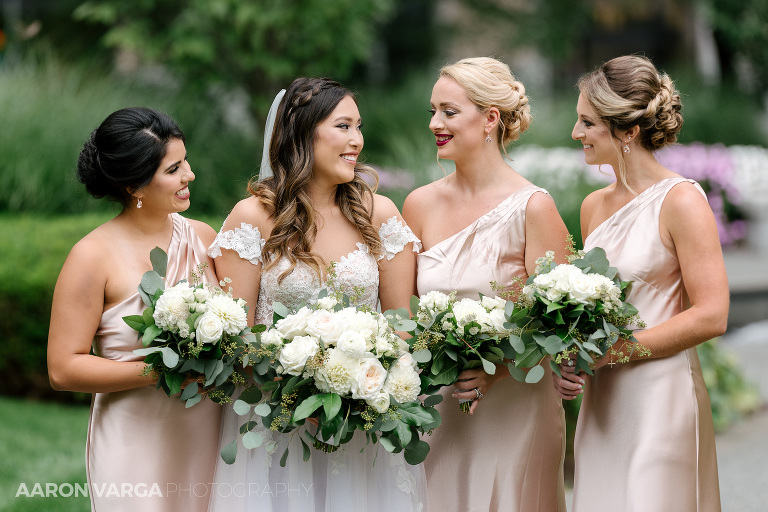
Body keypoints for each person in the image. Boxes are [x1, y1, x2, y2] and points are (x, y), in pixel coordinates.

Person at [207, 77, 425, 511]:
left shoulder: (379, 213)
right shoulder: (253, 217)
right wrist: (299, 383)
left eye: (358, 127)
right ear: (303, 133)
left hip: (364, 419)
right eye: (343, 127)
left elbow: (402, 327)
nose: (357, 140)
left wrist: (360, 385)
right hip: (276, 421)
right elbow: (236, 334)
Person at [553, 55, 728, 512]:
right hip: (604, 402)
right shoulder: (592, 207)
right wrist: (572, 354)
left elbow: (712, 314)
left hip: (660, 397)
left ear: (628, 131)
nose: (576, 133)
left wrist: (616, 351)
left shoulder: (682, 200)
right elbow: (593, 309)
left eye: (587, 122)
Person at [403, 57, 568, 512]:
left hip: (515, 405)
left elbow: (560, 325)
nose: (435, 123)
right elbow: (400, 309)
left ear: (490, 118)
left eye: (449, 112)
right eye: (433, 111)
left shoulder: (534, 208)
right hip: (438, 405)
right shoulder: (418, 205)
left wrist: (495, 367)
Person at [47, 107, 222, 511]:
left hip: (207, 427)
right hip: (134, 435)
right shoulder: (91, 256)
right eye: (174, 169)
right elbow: (62, 368)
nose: (189, 175)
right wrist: (162, 370)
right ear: (134, 186)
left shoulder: (203, 237)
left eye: (186, 161)